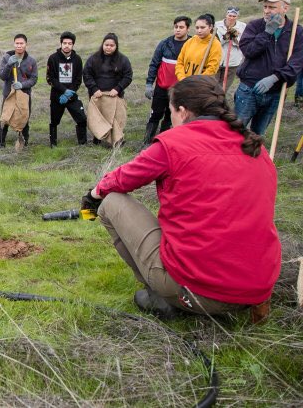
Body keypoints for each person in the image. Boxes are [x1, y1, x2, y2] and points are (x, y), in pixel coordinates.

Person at [81, 76, 280, 320]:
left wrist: (93, 195)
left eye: (172, 111)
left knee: (111, 202)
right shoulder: (255, 147)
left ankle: (164, 295)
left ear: (183, 112)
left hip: (198, 289)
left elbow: (122, 178)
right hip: (257, 286)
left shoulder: (173, 144)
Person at [235, 0, 303, 135]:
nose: (266, 11)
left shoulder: (297, 32)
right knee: (236, 131)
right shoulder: (255, 26)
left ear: (285, 8)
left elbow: (297, 62)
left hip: (276, 91)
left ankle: (252, 157)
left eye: (271, 7)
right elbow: (249, 51)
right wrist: (267, 33)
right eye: (265, 7)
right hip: (249, 89)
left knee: (258, 132)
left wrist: (275, 77)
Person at [143, 16, 191, 147]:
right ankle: (147, 141)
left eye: (181, 27)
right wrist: (149, 84)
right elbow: (154, 64)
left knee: (172, 116)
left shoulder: (192, 44)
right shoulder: (164, 44)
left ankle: (163, 141)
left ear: (188, 28)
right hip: (161, 87)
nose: (178, 30)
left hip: (180, 89)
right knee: (155, 114)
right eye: (176, 27)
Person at [82, 33, 133, 145]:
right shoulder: (93, 59)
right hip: (97, 95)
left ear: (116, 46)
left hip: (114, 95)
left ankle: (117, 140)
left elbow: (128, 76)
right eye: (106, 45)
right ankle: (98, 138)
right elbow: (86, 74)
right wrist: (94, 89)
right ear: (103, 44)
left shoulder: (123, 60)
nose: (108, 47)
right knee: (98, 117)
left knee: (115, 117)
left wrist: (118, 89)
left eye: (111, 45)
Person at [0, 34, 38, 147]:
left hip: (24, 95)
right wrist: (9, 65)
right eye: (17, 43)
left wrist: (22, 85)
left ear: (26, 45)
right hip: (9, 94)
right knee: (5, 118)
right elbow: (2, 76)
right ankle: (0, 144)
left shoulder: (31, 61)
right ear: (14, 44)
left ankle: (24, 143)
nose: (19, 46)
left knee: (24, 118)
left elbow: (34, 79)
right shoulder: (6, 58)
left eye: (21, 43)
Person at [45, 31, 87, 147]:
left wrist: (69, 93)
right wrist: (63, 91)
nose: (67, 45)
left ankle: (82, 143)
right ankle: (53, 144)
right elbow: (50, 78)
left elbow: (78, 79)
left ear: (73, 45)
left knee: (82, 118)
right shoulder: (53, 58)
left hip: (72, 95)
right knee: (54, 121)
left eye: (69, 43)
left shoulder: (77, 59)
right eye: (64, 43)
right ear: (61, 44)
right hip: (57, 95)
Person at [175, 14, 222, 81]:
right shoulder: (190, 41)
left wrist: (197, 81)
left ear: (210, 27)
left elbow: (212, 68)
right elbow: (180, 62)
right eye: (197, 28)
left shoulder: (215, 44)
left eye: (202, 27)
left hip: (200, 84)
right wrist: (182, 78)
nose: (199, 31)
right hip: (184, 82)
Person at [214, 7, 247, 92]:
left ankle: (220, 103)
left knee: (224, 88)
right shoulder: (216, 25)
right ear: (226, 15)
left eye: (234, 16)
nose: (231, 18)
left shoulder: (243, 26)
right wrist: (226, 37)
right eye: (230, 15)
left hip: (232, 62)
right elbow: (214, 42)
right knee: (213, 86)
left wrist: (235, 37)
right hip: (216, 60)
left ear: (237, 17)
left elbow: (243, 43)